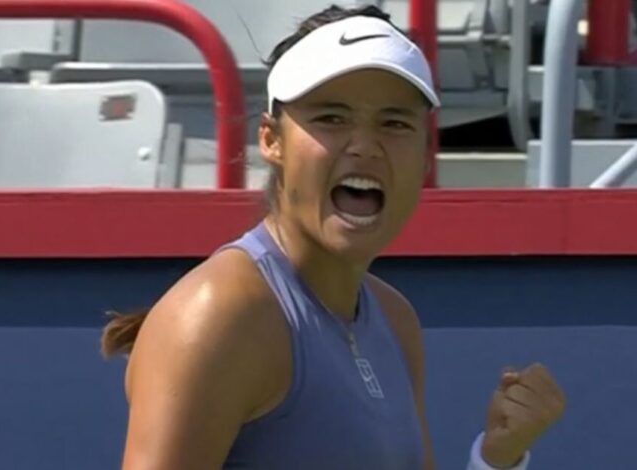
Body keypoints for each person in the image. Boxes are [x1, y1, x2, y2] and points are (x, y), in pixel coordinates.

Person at [101, 5, 565, 470]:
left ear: (425, 155)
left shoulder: (396, 319)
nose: (364, 146)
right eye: (332, 118)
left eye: (394, 123)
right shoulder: (217, 316)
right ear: (271, 140)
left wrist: (496, 461)